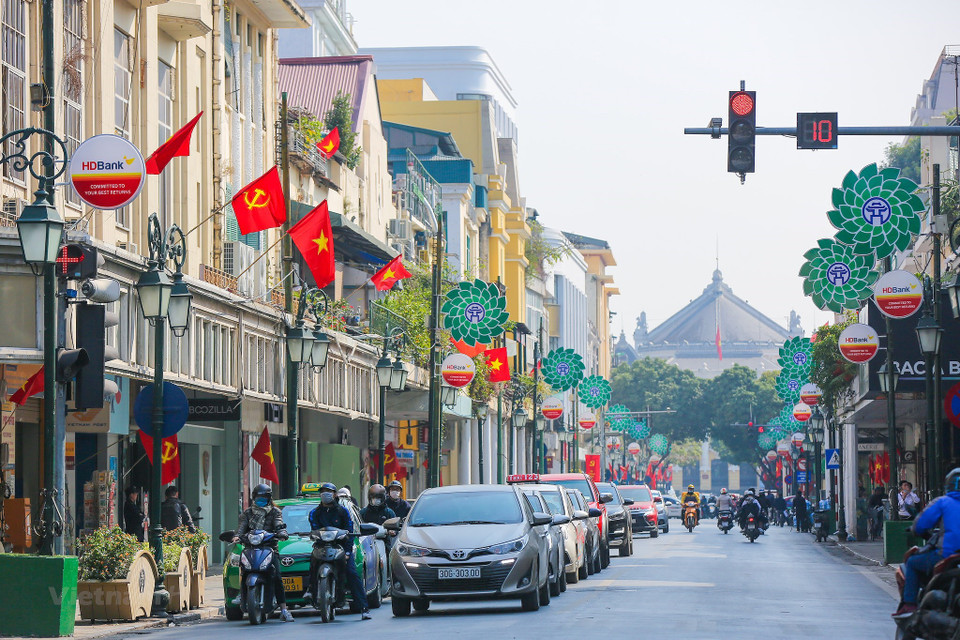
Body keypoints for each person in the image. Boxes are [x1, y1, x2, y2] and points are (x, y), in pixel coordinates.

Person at [893, 468, 960, 618]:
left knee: (913, 562)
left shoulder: (943, 502)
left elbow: (921, 525)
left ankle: (909, 605)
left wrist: (917, 530)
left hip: (947, 554)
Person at [304, 482, 370, 620]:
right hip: (321, 546)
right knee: (313, 563)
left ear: (334, 494)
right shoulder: (314, 513)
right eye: (323, 492)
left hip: (341, 547)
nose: (325, 494)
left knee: (351, 573)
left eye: (328, 491)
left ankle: (363, 607)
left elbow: (350, 531)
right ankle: (311, 589)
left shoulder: (343, 511)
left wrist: (347, 552)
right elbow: (314, 529)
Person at [234, 484, 293, 622]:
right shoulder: (247, 513)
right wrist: (237, 536)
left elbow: (279, 524)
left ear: (269, 498)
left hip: (269, 548)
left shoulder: (275, 512)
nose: (261, 499)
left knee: (277, 577)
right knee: (244, 571)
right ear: (254, 497)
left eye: (264, 497)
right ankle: (241, 595)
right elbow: (241, 528)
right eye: (258, 497)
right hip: (250, 548)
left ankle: (284, 609)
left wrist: (281, 532)